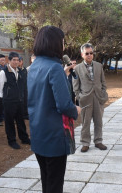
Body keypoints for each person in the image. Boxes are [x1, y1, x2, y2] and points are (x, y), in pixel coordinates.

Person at [28, 25, 81, 193]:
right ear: (56, 44)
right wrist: (76, 111)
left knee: (47, 180)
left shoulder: (34, 66)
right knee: (55, 184)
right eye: (62, 41)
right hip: (54, 134)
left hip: (38, 132)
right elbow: (64, 105)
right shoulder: (54, 67)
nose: (64, 45)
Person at [73, 43, 108, 153]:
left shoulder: (99, 66)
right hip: (85, 99)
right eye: (87, 53)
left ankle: (98, 141)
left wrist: (103, 93)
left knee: (99, 121)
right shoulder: (77, 68)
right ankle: (85, 143)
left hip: (98, 97)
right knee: (85, 122)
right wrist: (80, 97)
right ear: (82, 54)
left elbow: (103, 82)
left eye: (91, 53)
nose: (89, 55)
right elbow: (75, 86)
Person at [0, 52, 30, 149]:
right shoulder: (4, 72)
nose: (16, 62)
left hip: (19, 100)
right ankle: (12, 141)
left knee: (21, 121)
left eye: (17, 60)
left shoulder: (19, 71)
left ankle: (24, 138)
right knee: (9, 122)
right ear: (9, 61)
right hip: (9, 101)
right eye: (13, 60)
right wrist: (5, 97)